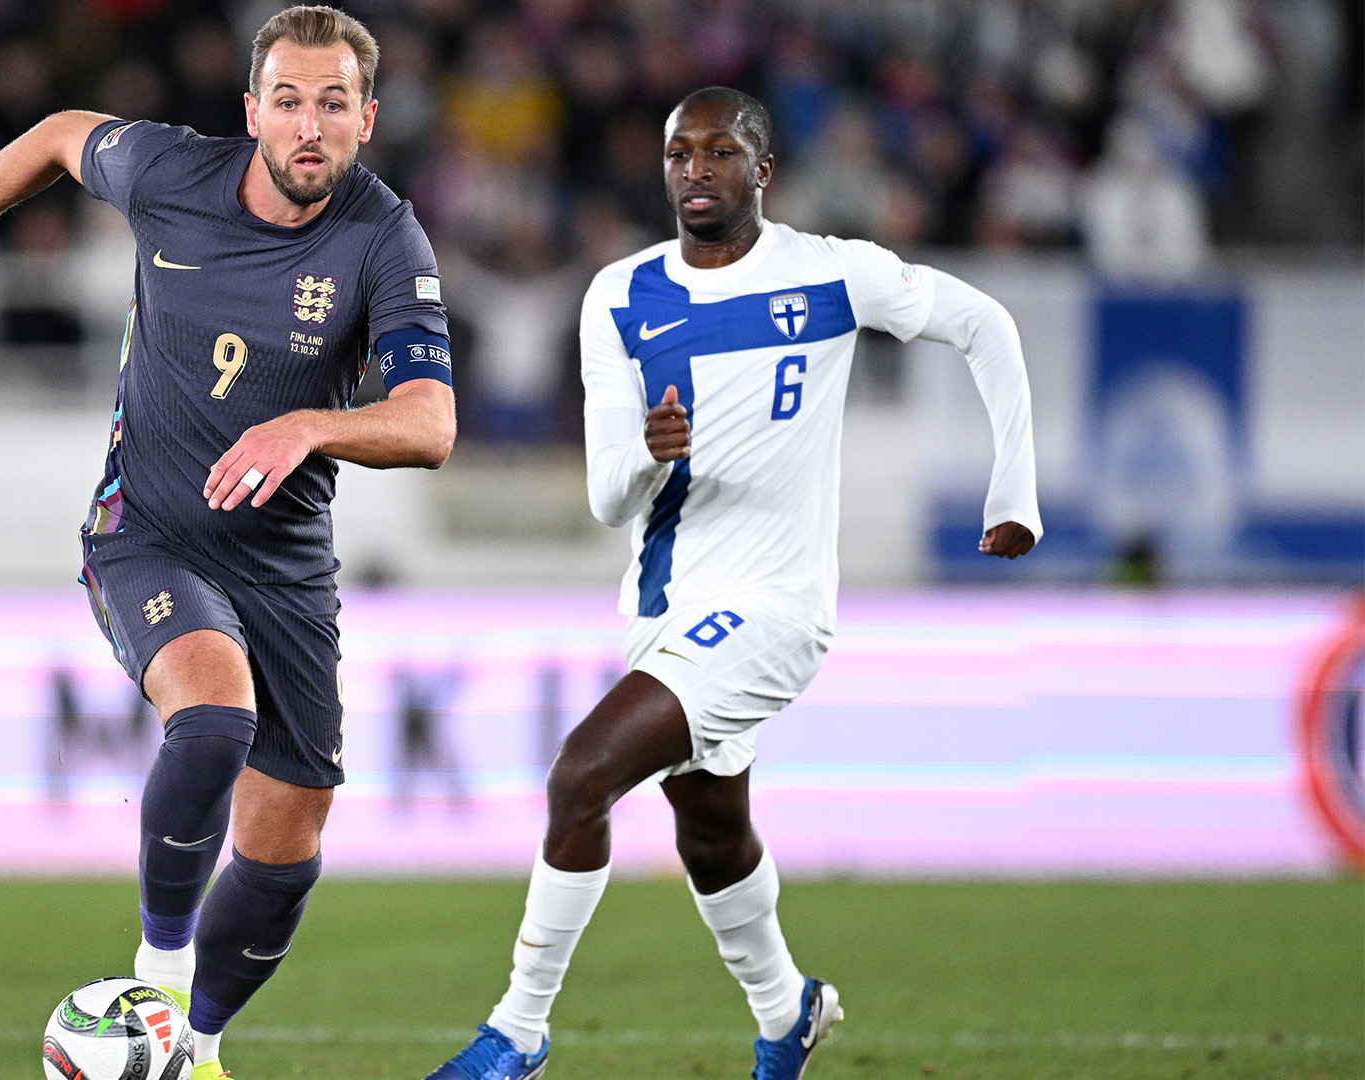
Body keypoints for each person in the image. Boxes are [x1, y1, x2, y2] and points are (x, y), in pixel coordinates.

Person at [421, 86, 1040, 1080]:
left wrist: (1014, 493)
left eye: (718, 153)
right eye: (678, 156)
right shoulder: (620, 295)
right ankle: (788, 1009)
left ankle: (517, 1034)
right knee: (713, 834)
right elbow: (608, 499)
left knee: (582, 775)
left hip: (779, 609)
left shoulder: (833, 274)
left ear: (762, 170)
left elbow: (986, 325)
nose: (695, 172)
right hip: (666, 611)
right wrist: (650, 455)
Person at [0, 8, 456, 1079]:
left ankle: (193, 1048)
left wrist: (312, 424)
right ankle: (156, 981)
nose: (309, 125)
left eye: (333, 103)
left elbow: (431, 423)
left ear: (368, 119)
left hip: (287, 569)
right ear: (251, 111)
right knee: (211, 723)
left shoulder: (384, 237)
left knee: (288, 834)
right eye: (288, 101)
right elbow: (63, 132)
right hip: (147, 532)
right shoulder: (170, 173)